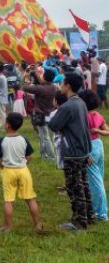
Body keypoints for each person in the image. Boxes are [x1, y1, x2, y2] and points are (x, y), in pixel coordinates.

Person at [48, 71, 93, 230]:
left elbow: (53, 125)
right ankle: (89, 215)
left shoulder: (67, 106)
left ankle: (79, 221)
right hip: (82, 150)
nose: (60, 86)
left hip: (72, 152)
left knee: (75, 187)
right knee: (84, 183)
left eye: (62, 83)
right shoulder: (81, 103)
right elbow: (86, 128)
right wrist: (88, 151)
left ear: (67, 86)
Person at [0, 112, 43, 233]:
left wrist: (3, 167)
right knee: (30, 198)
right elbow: (29, 155)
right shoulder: (23, 139)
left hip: (8, 171)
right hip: (23, 171)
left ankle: (8, 226)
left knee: (8, 200)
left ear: (8, 125)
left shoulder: (2, 140)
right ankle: (37, 224)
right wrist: (24, 164)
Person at [79, 89, 107, 222]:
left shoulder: (83, 117)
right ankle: (97, 208)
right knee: (99, 177)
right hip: (99, 145)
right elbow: (107, 131)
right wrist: (98, 130)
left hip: (89, 147)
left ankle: (101, 213)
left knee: (95, 181)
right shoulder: (97, 115)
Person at [23, 69, 57, 161]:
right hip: (49, 113)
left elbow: (26, 88)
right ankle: (43, 155)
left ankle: (52, 157)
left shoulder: (41, 89)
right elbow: (41, 83)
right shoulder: (53, 87)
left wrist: (26, 79)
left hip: (40, 114)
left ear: (45, 77)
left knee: (45, 137)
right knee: (42, 136)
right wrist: (35, 76)